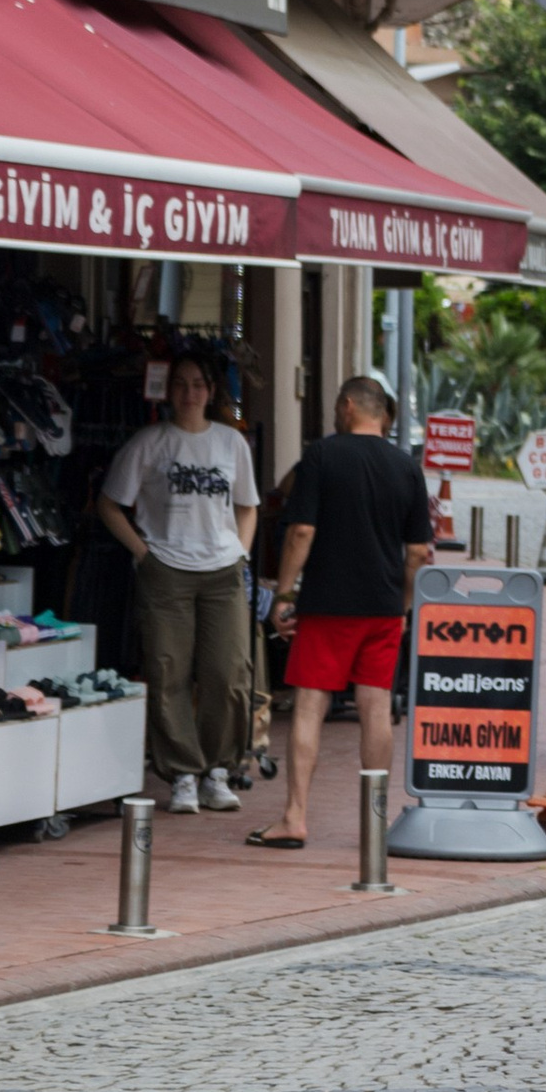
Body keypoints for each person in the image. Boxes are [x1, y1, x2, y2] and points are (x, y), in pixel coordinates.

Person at [254, 376, 433, 847]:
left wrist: (285, 593)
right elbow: (418, 550)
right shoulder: (407, 467)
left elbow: (300, 532)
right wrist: (405, 607)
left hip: (327, 606)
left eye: (337, 406)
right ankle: (374, 822)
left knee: (310, 706)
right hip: (383, 607)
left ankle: (295, 817)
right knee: (376, 708)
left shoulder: (322, 455)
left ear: (348, 406)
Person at [98, 354, 259, 814]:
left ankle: (219, 770)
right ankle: (183, 774)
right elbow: (109, 504)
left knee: (228, 673)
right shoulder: (149, 443)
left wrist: (242, 551)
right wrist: (142, 552)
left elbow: (248, 505)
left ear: (212, 391)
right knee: (168, 671)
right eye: (181, 384)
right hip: (165, 568)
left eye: (198, 384)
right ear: (168, 391)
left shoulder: (231, 443)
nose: (190, 393)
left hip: (222, 570)